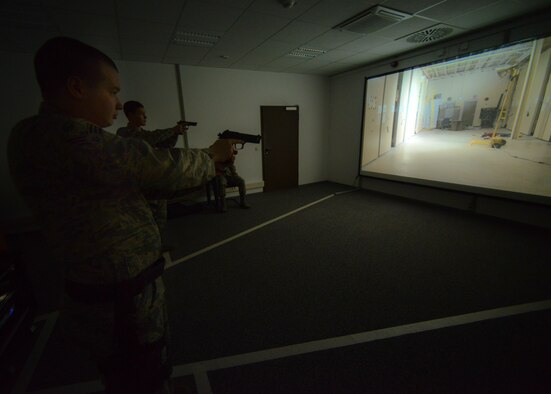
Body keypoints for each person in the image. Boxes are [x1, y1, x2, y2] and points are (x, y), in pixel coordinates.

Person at [7, 36, 235, 393]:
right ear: (77, 87)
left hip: (93, 290)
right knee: (144, 375)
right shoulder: (71, 139)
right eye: (112, 92)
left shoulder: (26, 134)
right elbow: (153, 166)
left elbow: (135, 185)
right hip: (121, 301)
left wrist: (209, 169)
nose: (117, 104)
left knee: (120, 375)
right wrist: (212, 155)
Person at [116, 101, 186, 246]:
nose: (145, 117)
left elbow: (166, 144)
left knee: (160, 214)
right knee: (140, 218)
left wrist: (176, 133)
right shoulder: (123, 132)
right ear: (130, 116)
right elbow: (149, 139)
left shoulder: (144, 133)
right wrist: (172, 130)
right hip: (134, 183)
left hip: (150, 180)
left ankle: (158, 244)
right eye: (141, 114)